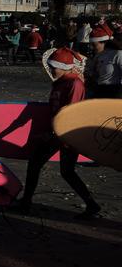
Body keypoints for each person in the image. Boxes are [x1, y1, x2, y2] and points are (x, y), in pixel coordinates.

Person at [20, 48, 100, 218]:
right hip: (58, 132)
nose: (52, 70)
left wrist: (52, 134)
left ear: (64, 66)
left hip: (68, 134)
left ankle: (26, 202)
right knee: (61, 170)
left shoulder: (75, 84)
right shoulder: (61, 82)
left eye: (54, 67)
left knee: (49, 167)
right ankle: (92, 205)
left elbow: (68, 111)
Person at [85, 24, 122, 98]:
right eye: (90, 45)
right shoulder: (97, 55)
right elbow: (94, 74)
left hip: (114, 93)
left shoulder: (117, 54)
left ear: (104, 43)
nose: (91, 48)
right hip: (99, 91)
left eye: (94, 45)